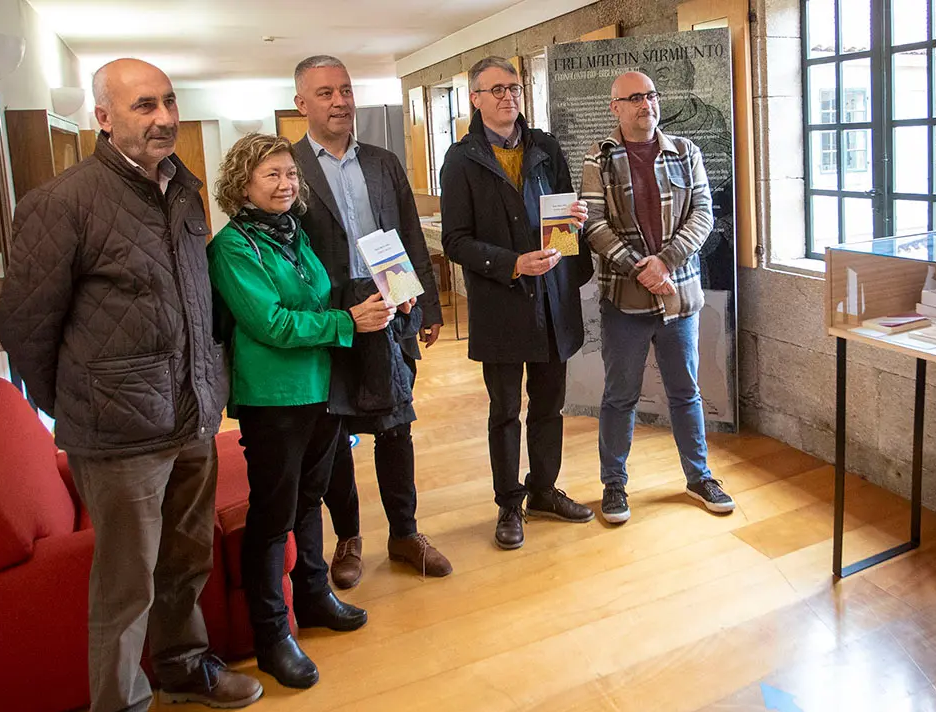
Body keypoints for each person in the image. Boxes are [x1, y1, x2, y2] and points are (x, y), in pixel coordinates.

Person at [0, 58, 262, 712]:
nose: (164, 118)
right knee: (124, 590)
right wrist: (84, 405)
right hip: (117, 440)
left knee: (184, 565)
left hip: (194, 418)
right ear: (104, 118)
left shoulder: (184, 190)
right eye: (145, 106)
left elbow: (194, 301)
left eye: (169, 103)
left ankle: (184, 669)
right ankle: (121, 710)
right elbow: (25, 329)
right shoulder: (61, 204)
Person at [208, 133, 388, 688]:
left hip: (320, 387)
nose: (286, 184)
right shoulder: (233, 247)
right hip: (274, 398)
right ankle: (271, 634)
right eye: (272, 176)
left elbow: (313, 296)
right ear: (243, 184)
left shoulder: (293, 235)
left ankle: (312, 597)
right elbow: (270, 323)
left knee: (309, 501)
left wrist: (376, 300)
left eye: (290, 174)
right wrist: (346, 324)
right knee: (271, 517)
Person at [289, 55, 452, 584]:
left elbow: (406, 232)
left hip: (391, 309)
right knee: (334, 435)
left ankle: (404, 533)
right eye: (325, 93)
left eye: (345, 90)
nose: (339, 101)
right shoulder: (290, 168)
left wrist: (424, 303)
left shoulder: (382, 162)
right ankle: (348, 539)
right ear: (302, 104)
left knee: (395, 427)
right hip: (332, 316)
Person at [441, 56, 596, 550]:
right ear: (476, 98)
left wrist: (575, 218)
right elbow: (456, 241)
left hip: (552, 301)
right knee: (506, 410)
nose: (508, 96)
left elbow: (565, 222)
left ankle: (544, 490)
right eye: (496, 89)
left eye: (514, 87)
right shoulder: (460, 159)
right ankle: (509, 503)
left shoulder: (546, 147)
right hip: (502, 302)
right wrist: (512, 263)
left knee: (549, 406)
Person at [580, 71, 736, 525]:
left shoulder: (686, 151)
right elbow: (592, 222)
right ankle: (614, 484)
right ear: (616, 108)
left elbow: (704, 213)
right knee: (620, 395)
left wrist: (664, 263)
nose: (645, 104)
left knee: (685, 391)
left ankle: (699, 476)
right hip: (624, 298)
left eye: (650, 95)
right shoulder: (600, 157)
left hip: (678, 295)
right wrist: (640, 268)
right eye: (634, 98)